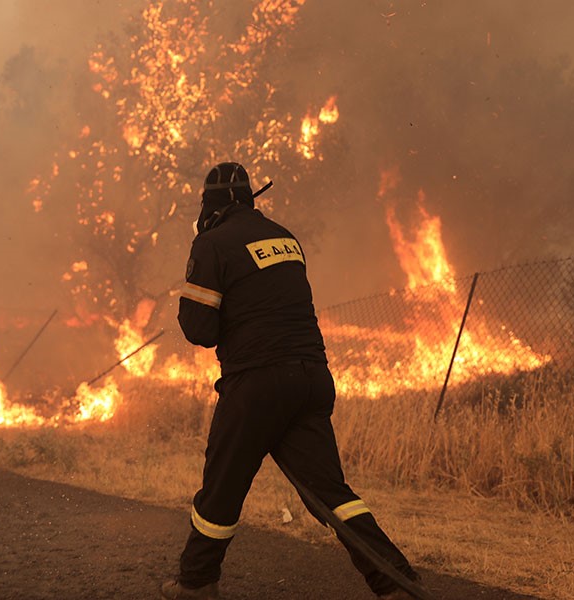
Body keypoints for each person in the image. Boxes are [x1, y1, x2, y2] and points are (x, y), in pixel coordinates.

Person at [161, 162, 420, 599]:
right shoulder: (285, 238)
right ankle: (395, 581)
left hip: (257, 385)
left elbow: (199, 330)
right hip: (311, 380)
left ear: (212, 205)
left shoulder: (212, 243)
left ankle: (197, 581)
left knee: (222, 488)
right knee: (331, 493)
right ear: (249, 199)